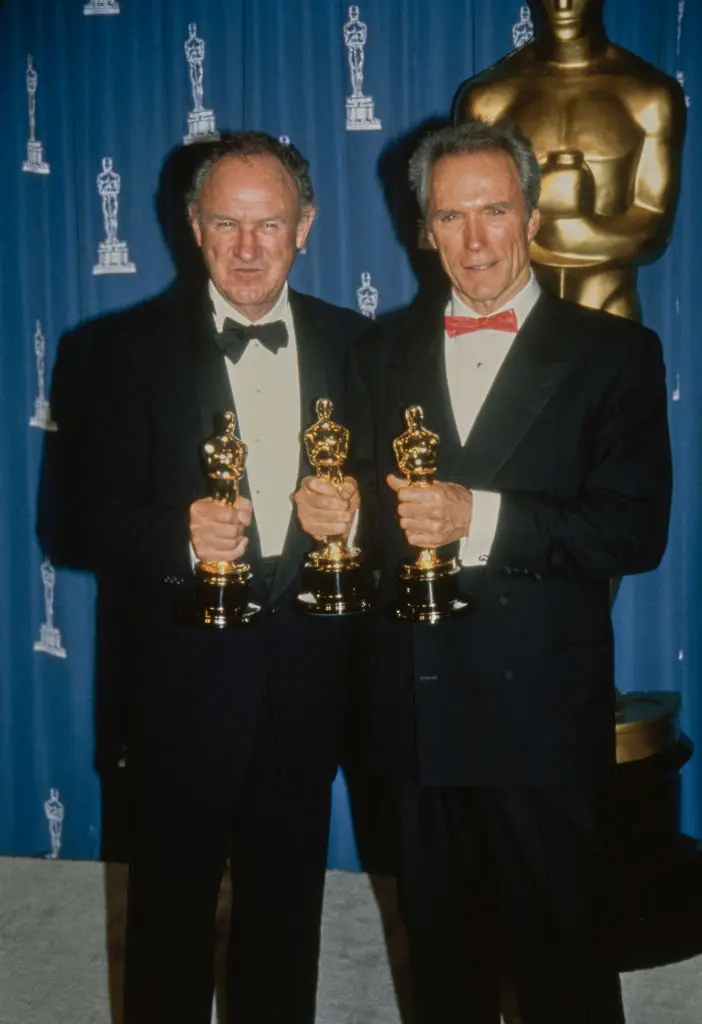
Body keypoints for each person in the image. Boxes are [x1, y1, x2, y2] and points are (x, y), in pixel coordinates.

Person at [347, 117, 672, 1023]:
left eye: (494, 210)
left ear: (531, 216)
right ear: (425, 229)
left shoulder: (615, 354)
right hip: (414, 709)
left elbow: (633, 533)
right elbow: (370, 523)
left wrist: (477, 517)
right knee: (443, 968)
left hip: (538, 716)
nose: (477, 238)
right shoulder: (376, 354)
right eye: (452, 217)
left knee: (563, 963)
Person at [87, 132, 365, 1024]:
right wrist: (179, 534)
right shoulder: (115, 350)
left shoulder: (362, 347)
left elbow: (407, 508)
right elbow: (75, 518)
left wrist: (355, 518)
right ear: (193, 227)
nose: (249, 248)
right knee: (166, 936)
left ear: (306, 227)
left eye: (270, 224)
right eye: (227, 224)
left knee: (285, 932)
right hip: (176, 695)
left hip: (308, 690)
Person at [453, 0, 686, 320]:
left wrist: (566, 224)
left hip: (608, 309)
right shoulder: (488, 98)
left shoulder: (650, 95)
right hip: (513, 312)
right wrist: (563, 218)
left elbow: (652, 232)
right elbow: (466, 226)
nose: (562, 4)